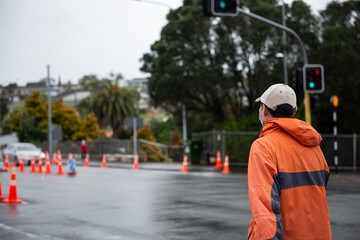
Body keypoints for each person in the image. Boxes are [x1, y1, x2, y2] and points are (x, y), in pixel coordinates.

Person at [247, 84, 331, 239]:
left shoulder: (263, 147)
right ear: (294, 111)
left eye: (260, 107)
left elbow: (265, 209)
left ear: (264, 109)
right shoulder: (313, 146)